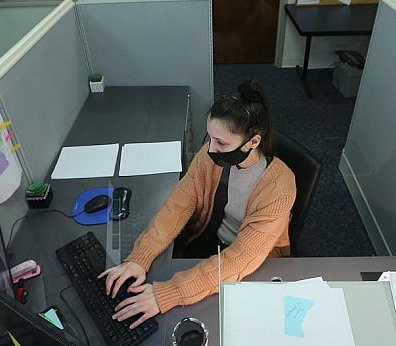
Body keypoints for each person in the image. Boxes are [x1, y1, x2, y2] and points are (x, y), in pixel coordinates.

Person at [98, 80, 296, 329]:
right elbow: (177, 205)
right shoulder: (209, 156)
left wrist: (169, 293)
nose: (210, 149)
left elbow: (241, 258)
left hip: (254, 262)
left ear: (253, 143)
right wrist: (140, 257)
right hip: (210, 238)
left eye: (221, 143)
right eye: (210, 138)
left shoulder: (280, 186)